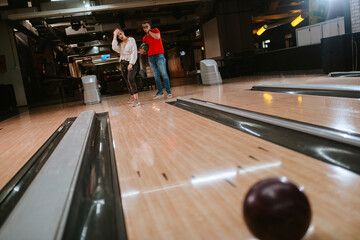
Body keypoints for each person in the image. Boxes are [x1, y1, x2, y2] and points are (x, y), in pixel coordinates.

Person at [141, 20, 172, 99]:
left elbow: (157, 37)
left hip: (159, 55)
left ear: (150, 27)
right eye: (144, 27)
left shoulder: (155, 30)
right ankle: (160, 92)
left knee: (164, 73)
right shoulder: (144, 38)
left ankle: (168, 92)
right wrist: (141, 52)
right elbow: (146, 50)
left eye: (146, 26)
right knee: (156, 75)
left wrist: (149, 32)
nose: (145, 28)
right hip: (151, 57)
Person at [112, 28, 140, 107]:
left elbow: (134, 52)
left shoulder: (131, 40)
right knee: (127, 81)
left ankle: (136, 100)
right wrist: (114, 35)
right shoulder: (120, 45)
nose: (119, 36)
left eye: (120, 33)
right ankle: (132, 96)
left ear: (123, 32)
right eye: (118, 36)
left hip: (132, 62)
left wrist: (131, 63)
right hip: (123, 63)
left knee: (131, 79)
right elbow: (114, 47)